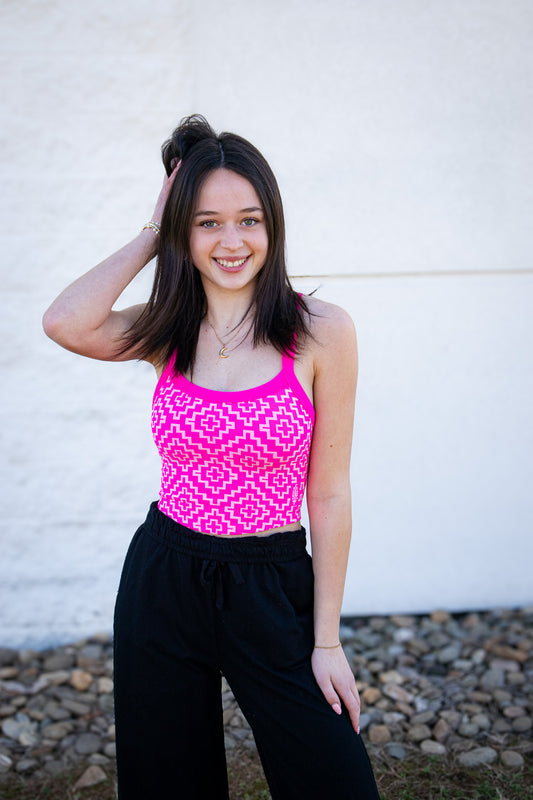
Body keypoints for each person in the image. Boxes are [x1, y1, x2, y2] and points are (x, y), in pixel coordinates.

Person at [43, 115, 381, 800]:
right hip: (164, 575)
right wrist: (150, 230)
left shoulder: (321, 331)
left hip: (271, 580)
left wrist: (326, 640)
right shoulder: (165, 327)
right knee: (168, 780)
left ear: (272, 226)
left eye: (248, 220)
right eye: (205, 223)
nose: (231, 241)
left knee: (332, 779)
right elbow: (65, 321)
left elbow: (331, 493)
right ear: (182, 232)